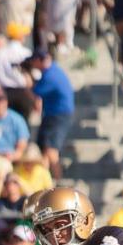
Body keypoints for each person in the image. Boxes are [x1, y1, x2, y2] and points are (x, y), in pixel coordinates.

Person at [30, 48, 75, 179]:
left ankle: (58, 184)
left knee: (51, 150)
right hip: (54, 114)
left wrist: (27, 79)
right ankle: (46, 182)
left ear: (39, 61)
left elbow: (34, 92)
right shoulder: (53, 70)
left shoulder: (51, 76)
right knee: (44, 150)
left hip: (58, 116)